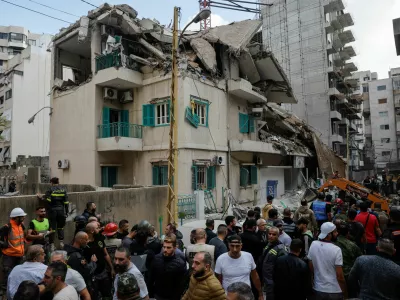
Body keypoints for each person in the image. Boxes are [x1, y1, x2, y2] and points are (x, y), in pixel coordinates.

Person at [215, 235, 263, 300]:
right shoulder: (221, 259)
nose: (235, 249)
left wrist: (260, 293)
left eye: (237, 246)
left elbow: (255, 276)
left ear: (241, 246)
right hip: (229, 296)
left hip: (246, 296)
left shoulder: (248, 256)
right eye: (232, 246)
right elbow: (218, 281)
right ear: (228, 246)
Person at [308, 222, 347, 299]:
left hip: (318, 289)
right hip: (334, 291)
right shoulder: (337, 250)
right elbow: (340, 276)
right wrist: (345, 293)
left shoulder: (313, 244)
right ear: (329, 234)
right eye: (335, 232)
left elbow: (311, 267)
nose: (337, 233)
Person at [148, 235, 187, 300]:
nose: (165, 250)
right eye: (164, 247)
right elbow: (151, 278)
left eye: (168, 247)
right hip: (158, 295)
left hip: (173, 297)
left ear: (174, 248)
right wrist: (151, 295)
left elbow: (181, 284)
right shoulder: (156, 259)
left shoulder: (180, 263)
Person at [84, 222, 114, 300]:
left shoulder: (99, 238)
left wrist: (111, 268)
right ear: (92, 231)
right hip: (93, 275)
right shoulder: (84, 244)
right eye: (97, 228)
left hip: (103, 272)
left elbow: (105, 254)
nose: (99, 229)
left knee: (107, 294)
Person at [0, 208, 27, 294]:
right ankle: (4, 294)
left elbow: (22, 240)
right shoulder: (7, 227)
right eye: (22, 217)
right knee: (7, 275)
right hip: (9, 256)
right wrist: (2, 244)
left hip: (19, 255)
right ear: (15, 218)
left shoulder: (21, 226)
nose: (24, 219)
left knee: (18, 275)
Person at [37, 177, 69, 249]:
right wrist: (66, 212)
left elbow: (47, 200)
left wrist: (41, 197)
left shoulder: (50, 190)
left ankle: (52, 244)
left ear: (51, 182)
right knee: (60, 227)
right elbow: (66, 202)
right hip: (61, 211)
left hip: (53, 211)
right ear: (58, 182)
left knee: (52, 228)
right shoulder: (63, 190)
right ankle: (61, 242)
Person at [261, 226, 287, 300]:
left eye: (274, 234)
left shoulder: (281, 249)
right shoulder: (268, 244)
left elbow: (282, 267)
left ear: (278, 236)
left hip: (273, 282)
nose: (271, 236)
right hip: (266, 280)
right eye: (269, 234)